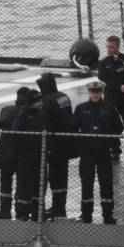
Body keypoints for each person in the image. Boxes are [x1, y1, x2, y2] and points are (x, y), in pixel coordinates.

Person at [72, 81, 124, 224]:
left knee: (106, 184)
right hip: (87, 152)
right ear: (89, 92)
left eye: (98, 91)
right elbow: (73, 127)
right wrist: (80, 143)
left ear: (101, 92)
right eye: (93, 91)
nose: (95, 94)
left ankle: (108, 214)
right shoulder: (81, 109)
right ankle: (86, 214)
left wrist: (108, 139)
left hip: (103, 152)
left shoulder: (110, 109)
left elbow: (119, 128)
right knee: (86, 183)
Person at [36, 73, 74, 219]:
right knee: (62, 177)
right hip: (66, 142)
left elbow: (46, 122)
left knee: (52, 178)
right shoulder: (64, 97)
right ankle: (60, 208)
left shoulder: (46, 100)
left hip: (53, 144)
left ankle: (51, 209)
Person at [11, 89, 48, 221]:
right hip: (26, 159)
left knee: (40, 186)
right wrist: (25, 152)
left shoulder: (41, 114)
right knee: (24, 187)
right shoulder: (24, 115)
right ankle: (22, 214)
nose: (41, 103)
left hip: (40, 157)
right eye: (39, 100)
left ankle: (38, 212)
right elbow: (16, 135)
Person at [0, 86, 29, 219]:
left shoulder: (7, 110)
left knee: (5, 182)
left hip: (5, 151)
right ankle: (21, 212)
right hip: (22, 153)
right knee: (22, 183)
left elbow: (1, 124)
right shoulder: (28, 113)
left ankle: (4, 210)